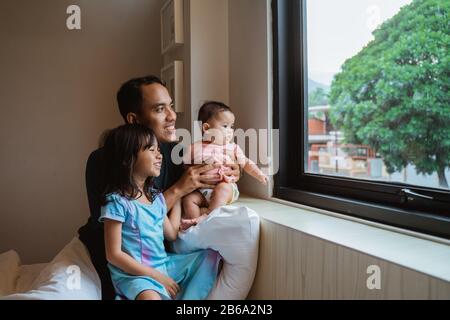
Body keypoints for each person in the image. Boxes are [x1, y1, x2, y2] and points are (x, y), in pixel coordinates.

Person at [77, 76, 241, 300]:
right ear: (134, 119)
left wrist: (231, 172)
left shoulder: (176, 153)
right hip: (113, 257)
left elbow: (212, 173)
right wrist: (179, 189)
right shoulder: (104, 160)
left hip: (158, 255)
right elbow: (117, 228)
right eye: (160, 109)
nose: (172, 116)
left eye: (171, 106)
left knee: (210, 258)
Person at [99, 124, 220, 300]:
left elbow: (171, 233)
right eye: (151, 149)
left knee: (210, 258)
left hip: (163, 265)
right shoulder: (117, 202)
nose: (159, 155)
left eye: (158, 149)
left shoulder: (155, 198)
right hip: (136, 276)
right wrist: (157, 277)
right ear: (128, 158)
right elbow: (113, 255)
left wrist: (180, 196)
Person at [180, 101, 268, 231]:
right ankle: (196, 226)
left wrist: (259, 174)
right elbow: (185, 168)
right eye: (225, 126)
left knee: (222, 188)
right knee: (188, 200)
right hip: (202, 190)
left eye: (232, 126)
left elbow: (247, 163)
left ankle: (208, 215)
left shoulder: (233, 148)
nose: (230, 131)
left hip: (226, 188)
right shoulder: (194, 148)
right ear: (206, 128)